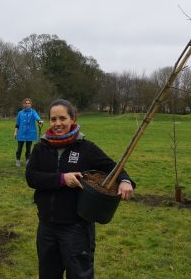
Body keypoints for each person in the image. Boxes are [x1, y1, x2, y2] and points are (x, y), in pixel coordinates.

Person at [26, 99, 135, 279]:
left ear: (72, 118)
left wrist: (125, 180)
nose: (58, 124)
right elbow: (32, 177)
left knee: (79, 275)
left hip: (76, 228)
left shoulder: (86, 148)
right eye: (53, 119)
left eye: (62, 118)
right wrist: (62, 179)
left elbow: (113, 168)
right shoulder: (40, 148)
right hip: (47, 226)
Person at [14, 98, 43, 167]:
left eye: (28, 103)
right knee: (19, 148)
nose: (27, 104)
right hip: (21, 133)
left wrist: (39, 121)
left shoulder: (33, 112)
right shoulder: (20, 113)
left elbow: (37, 117)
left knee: (28, 149)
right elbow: (17, 123)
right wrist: (15, 132)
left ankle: (27, 160)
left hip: (30, 133)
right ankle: (18, 160)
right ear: (24, 104)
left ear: (30, 104)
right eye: (26, 103)